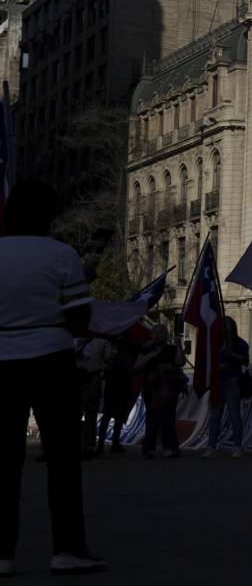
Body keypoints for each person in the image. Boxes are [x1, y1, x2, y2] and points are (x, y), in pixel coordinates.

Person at [0, 181, 106, 575]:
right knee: (63, 459)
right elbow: (80, 319)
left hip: (2, 361)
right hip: (51, 359)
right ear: (50, 217)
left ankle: (3, 553)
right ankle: (67, 549)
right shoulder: (61, 255)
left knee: (4, 463)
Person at [136, 325, 186, 459]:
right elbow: (137, 365)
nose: (159, 335)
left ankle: (170, 447)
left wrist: (179, 345)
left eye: (162, 332)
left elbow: (180, 362)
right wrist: (152, 355)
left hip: (169, 389)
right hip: (152, 389)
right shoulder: (146, 348)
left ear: (166, 335)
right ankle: (149, 449)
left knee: (168, 418)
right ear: (151, 335)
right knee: (152, 419)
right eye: (156, 332)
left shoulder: (171, 348)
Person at [204, 317, 249, 459]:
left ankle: (237, 446)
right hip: (217, 382)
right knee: (214, 416)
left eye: (228, 325)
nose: (226, 327)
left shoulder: (240, 343)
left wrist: (233, 355)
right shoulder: (216, 343)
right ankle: (211, 446)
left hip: (231, 381)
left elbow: (245, 360)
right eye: (223, 325)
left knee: (234, 414)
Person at [97, 334, 137, 455]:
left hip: (113, 387)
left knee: (108, 416)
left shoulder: (114, 354)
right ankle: (113, 443)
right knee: (117, 417)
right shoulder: (125, 356)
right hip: (120, 387)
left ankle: (102, 445)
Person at [77, 337, 111, 460]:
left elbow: (108, 359)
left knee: (91, 414)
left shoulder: (102, 340)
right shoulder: (75, 339)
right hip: (78, 376)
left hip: (94, 377)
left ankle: (89, 446)